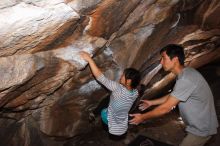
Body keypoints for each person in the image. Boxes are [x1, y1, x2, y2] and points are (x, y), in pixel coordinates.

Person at [129, 44, 218, 146]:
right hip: (199, 125)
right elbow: (174, 95)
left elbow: (165, 108)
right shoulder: (186, 73)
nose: (161, 62)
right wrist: (151, 102)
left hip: (201, 129)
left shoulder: (186, 79)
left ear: (175, 59)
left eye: (163, 58)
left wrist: (142, 117)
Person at [80, 51, 141, 137]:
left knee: (106, 104)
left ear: (129, 81)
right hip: (120, 119)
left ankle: (95, 113)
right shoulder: (135, 93)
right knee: (110, 97)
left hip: (107, 118)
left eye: (123, 75)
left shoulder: (117, 89)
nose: (121, 76)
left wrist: (89, 60)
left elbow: (100, 77)